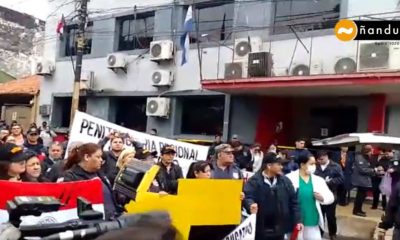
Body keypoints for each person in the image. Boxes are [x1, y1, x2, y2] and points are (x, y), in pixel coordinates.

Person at [244, 153, 303, 240]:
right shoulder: (254, 181)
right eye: (278, 164)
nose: (281, 167)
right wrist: (250, 205)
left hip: (280, 228)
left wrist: (298, 220)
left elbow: (294, 202)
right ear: (269, 165)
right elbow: (248, 196)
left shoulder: (285, 181)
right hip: (260, 227)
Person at [62, 143, 121, 220]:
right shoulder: (71, 176)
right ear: (87, 157)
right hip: (93, 223)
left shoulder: (99, 173)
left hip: (112, 219)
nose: (101, 160)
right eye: (98, 157)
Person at [286, 153, 334, 240]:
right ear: (302, 165)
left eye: (315, 164)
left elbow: (331, 197)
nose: (314, 166)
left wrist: (322, 198)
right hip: (295, 220)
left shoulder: (318, 180)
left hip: (312, 218)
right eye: (311, 164)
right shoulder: (289, 178)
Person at [315, 150, 344, 240]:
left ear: (327, 156)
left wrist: (330, 181)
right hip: (318, 194)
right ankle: (319, 233)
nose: (320, 161)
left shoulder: (335, 166)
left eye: (321, 159)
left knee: (331, 216)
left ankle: (332, 233)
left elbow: (341, 179)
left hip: (331, 194)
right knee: (320, 215)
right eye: (318, 160)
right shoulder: (316, 166)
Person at [352, 145, 382, 217]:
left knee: (362, 196)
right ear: (366, 151)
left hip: (364, 180)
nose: (372, 152)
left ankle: (359, 209)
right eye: (371, 150)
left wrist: (374, 168)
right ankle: (356, 211)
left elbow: (368, 166)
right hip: (360, 180)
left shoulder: (366, 157)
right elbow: (363, 169)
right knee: (360, 196)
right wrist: (374, 170)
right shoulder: (359, 157)